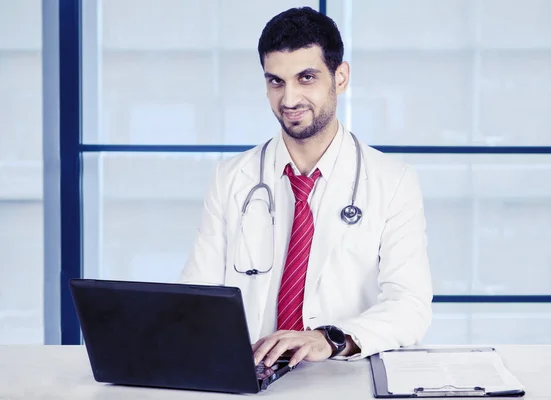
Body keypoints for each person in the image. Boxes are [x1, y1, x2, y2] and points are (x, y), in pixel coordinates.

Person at [179, 6, 432, 368]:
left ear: (340, 77)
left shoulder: (392, 182)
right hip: (252, 377)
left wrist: (329, 339)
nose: (289, 99)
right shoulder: (231, 178)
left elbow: (411, 306)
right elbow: (197, 298)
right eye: (276, 81)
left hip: (343, 376)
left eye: (307, 78)